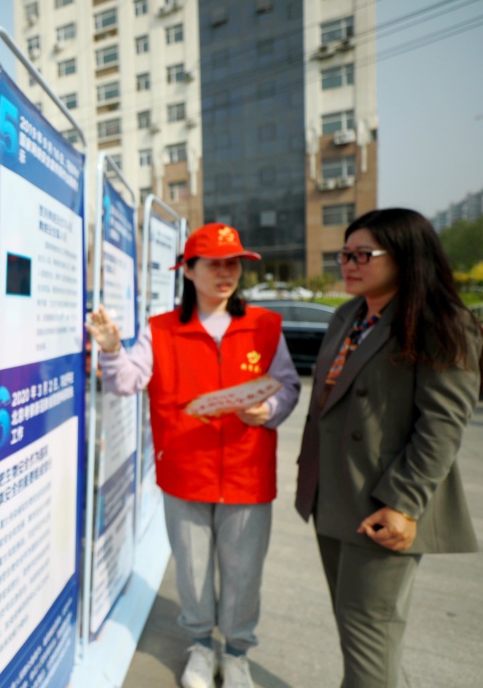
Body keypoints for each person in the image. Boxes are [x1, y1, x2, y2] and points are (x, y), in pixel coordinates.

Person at [86, 223, 301, 688]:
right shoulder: (160, 330)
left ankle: (237, 653)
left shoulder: (264, 325)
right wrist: (112, 350)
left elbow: (287, 385)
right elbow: (127, 381)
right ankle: (201, 647)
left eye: (233, 263)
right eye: (214, 264)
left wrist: (269, 410)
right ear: (188, 270)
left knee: (243, 573)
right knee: (193, 569)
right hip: (184, 471)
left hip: (247, 473)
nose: (226, 273)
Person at [295, 208, 483, 688]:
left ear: (407, 256)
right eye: (344, 254)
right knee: (356, 627)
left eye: (362, 254)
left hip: (382, 502)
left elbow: (443, 424)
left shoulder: (439, 321)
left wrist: (404, 503)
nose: (348, 263)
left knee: (370, 634)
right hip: (332, 493)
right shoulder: (349, 315)